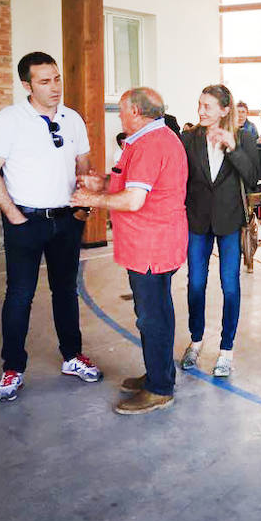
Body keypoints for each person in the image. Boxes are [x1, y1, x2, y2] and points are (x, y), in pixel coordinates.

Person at [0, 51, 103, 403]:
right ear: (26, 85)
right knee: (20, 295)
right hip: (26, 222)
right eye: (45, 81)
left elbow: (84, 166)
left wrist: (81, 211)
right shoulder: (9, 120)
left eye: (57, 79)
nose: (54, 87)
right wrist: (14, 215)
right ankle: (13, 368)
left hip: (65, 221)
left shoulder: (73, 119)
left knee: (65, 291)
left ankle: (72, 357)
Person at [71, 87, 188, 415]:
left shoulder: (152, 144)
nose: (119, 116)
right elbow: (131, 184)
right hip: (149, 244)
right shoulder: (146, 140)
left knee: (152, 318)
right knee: (157, 313)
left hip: (152, 246)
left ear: (136, 111)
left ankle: (160, 389)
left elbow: (134, 200)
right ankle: (159, 373)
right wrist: (104, 183)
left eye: (122, 110)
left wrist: (90, 200)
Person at [178, 85, 259, 377]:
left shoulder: (245, 138)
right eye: (199, 104)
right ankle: (196, 340)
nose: (200, 111)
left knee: (230, 286)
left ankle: (226, 349)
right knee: (196, 283)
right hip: (197, 222)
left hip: (229, 223)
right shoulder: (188, 138)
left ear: (225, 110)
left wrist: (232, 148)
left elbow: (252, 178)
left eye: (208, 106)